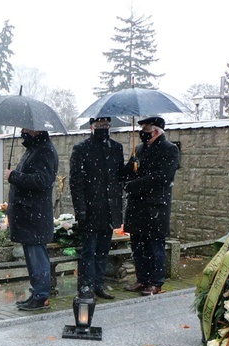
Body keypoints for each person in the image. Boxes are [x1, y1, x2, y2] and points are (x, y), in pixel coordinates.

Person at [121, 116, 180, 295]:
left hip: (155, 206)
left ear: (155, 131)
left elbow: (162, 177)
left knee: (155, 245)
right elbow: (129, 173)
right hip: (136, 206)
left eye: (145, 130)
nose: (142, 134)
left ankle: (156, 282)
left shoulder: (170, 150)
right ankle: (142, 279)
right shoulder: (138, 149)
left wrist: (135, 185)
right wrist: (129, 171)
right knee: (138, 245)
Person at [69, 117, 124, 299]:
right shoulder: (81, 148)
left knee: (102, 251)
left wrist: (132, 167)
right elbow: (76, 182)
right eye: (99, 126)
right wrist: (81, 209)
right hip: (91, 209)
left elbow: (119, 177)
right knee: (88, 251)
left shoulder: (116, 148)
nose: (103, 128)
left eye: (106, 126)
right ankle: (86, 285)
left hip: (109, 209)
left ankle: (99, 284)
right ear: (92, 127)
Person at [4, 128, 58, 311]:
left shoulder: (45, 150)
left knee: (37, 256)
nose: (22, 132)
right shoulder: (34, 149)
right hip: (29, 215)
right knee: (32, 256)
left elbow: (42, 180)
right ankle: (37, 293)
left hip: (35, 215)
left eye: (26, 129)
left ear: (35, 131)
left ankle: (42, 296)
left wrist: (13, 176)